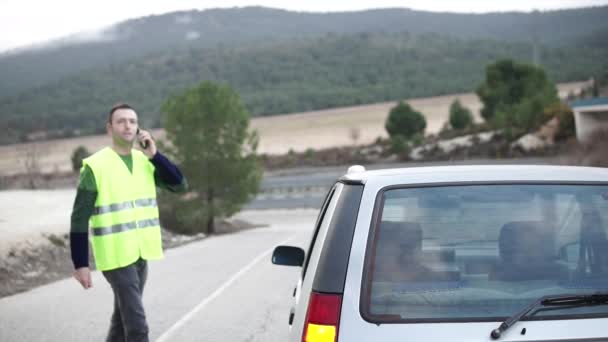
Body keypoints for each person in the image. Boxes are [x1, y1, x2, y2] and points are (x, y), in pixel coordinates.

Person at [70, 103, 187, 342]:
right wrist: (80, 263)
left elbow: (179, 185)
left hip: (141, 253)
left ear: (139, 128)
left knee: (122, 322)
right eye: (121, 121)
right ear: (109, 128)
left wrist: (155, 155)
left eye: (133, 121)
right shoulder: (95, 166)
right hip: (115, 256)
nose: (128, 126)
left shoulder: (146, 161)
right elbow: (79, 218)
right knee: (137, 327)